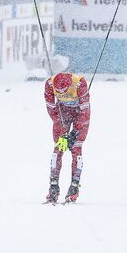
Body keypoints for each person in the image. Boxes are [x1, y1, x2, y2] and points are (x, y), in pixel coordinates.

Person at [44, 71, 90, 203]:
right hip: (62, 114)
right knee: (59, 147)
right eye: (59, 92)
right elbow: (52, 109)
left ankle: (74, 187)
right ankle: (53, 186)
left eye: (64, 91)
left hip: (79, 114)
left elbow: (85, 112)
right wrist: (62, 132)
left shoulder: (80, 83)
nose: (62, 94)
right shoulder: (49, 84)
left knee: (76, 148)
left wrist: (74, 133)